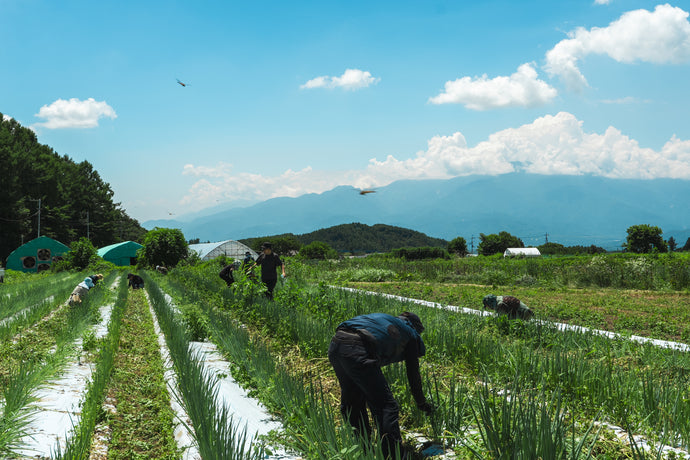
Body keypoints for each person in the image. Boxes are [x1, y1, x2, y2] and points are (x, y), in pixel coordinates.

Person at [328, 312, 434, 459]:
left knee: (353, 401)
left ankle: (363, 449)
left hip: (336, 345)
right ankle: (393, 455)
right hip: (358, 349)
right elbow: (413, 375)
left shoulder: (384, 322)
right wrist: (421, 402)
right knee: (386, 407)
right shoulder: (410, 334)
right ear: (415, 327)